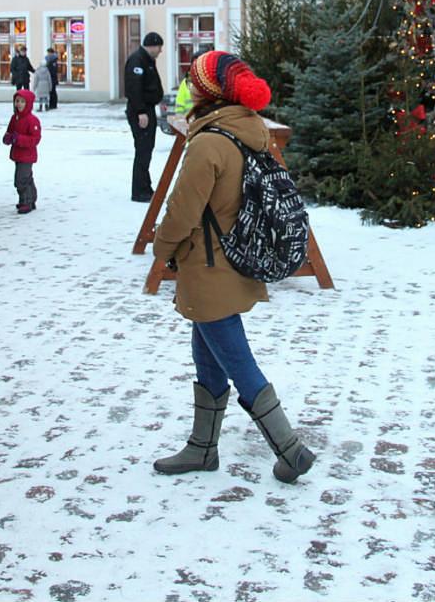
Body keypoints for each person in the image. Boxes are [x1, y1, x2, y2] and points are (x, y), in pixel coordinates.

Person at [151, 50, 316, 484]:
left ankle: (290, 449)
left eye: (192, 82)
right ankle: (202, 448)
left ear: (207, 92)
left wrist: (160, 245)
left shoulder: (208, 143)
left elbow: (183, 211)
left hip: (209, 267)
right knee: (205, 352)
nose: (187, 88)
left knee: (237, 361)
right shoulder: (246, 130)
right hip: (231, 260)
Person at [123, 31, 165, 202]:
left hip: (148, 109)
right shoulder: (137, 61)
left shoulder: (147, 60)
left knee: (147, 149)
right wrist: (141, 111)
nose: (160, 51)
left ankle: (145, 187)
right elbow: (134, 88)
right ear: (152, 45)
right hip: (141, 111)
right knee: (143, 150)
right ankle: (139, 191)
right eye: (159, 47)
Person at [2, 89, 41, 214]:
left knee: (21, 180)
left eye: (22, 101)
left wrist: (18, 139)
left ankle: (26, 202)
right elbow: (10, 130)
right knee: (26, 178)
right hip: (17, 154)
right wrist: (8, 137)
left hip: (27, 155)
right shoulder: (15, 118)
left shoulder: (32, 120)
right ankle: (30, 199)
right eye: (17, 101)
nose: (19, 104)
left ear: (28, 103)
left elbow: (35, 139)